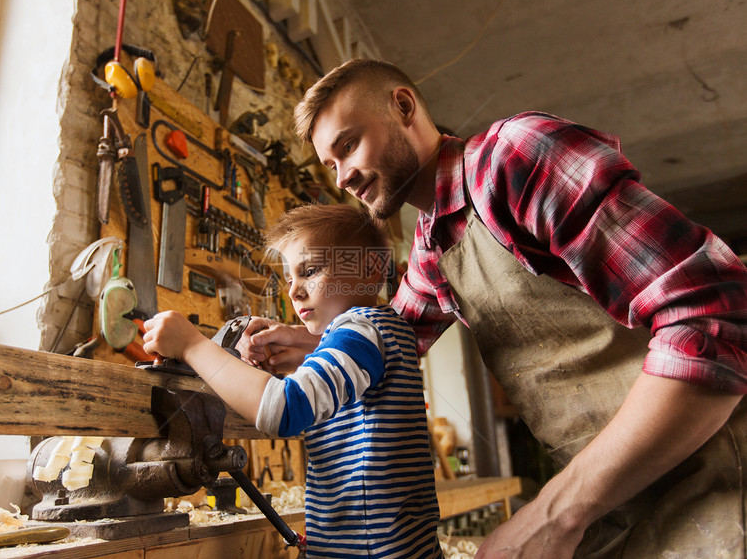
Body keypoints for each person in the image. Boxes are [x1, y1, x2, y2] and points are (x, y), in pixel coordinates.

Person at [236, 58, 747, 558]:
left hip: (715, 474)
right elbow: (389, 341)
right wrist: (306, 343)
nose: (343, 176)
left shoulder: (513, 157)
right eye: (330, 164)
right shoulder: (432, 245)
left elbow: (712, 316)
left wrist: (554, 512)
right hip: (622, 500)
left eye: (349, 145)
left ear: (404, 106)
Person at [143, 203, 443, 558]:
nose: (294, 292)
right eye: (289, 279)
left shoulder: (361, 330)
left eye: (311, 271)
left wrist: (192, 345)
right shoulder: (386, 330)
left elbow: (285, 408)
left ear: (370, 268)